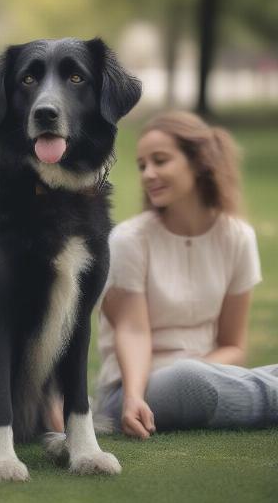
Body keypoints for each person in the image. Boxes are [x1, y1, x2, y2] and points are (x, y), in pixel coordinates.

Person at [95, 110, 278, 438]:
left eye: (160, 161)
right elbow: (133, 331)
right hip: (133, 388)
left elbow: (233, 344)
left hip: (209, 375)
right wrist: (135, 396)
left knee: (195, 377)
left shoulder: (237, 237)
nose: (148, 174)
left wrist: (205, 369)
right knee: (187, 380)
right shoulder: (129, 239)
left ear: (198, 162)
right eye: (142, 165)